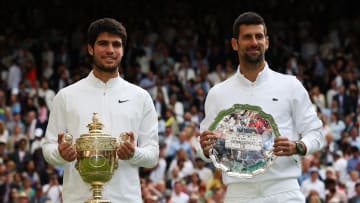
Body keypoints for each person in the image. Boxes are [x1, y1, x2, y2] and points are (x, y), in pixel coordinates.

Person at [198, 12, 325, 202]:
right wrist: (206, 149)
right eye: (247, 37)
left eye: (259, 36)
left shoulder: (290, 85)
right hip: (238, 192)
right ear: (235, 44)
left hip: (283, 190)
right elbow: (204, 148)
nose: (254, 42)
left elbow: (316, 133)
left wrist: (297, 146)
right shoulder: (218, 93)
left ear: (267, 42)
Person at [42, 18, 159, 203]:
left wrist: (133, 153)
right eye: (103, 43)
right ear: (91, 48)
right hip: (78, 198)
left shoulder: (140, 97)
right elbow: (48, 148)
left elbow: (152, 155)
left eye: (116, 45)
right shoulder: (66, 96)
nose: (110, 50)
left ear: (122, 50)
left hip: (125, 199)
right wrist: (60, 153)